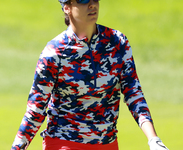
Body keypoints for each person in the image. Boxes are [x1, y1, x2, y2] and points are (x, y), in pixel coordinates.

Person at [11, 0, 169, 150]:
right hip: (63, 143)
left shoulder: (117, 42)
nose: (92, 4)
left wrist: (153, 139)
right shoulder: (54, 52)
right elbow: (36, 109)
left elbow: (133, 93)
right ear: (67, 7)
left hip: (108, 144)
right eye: (83, 0)